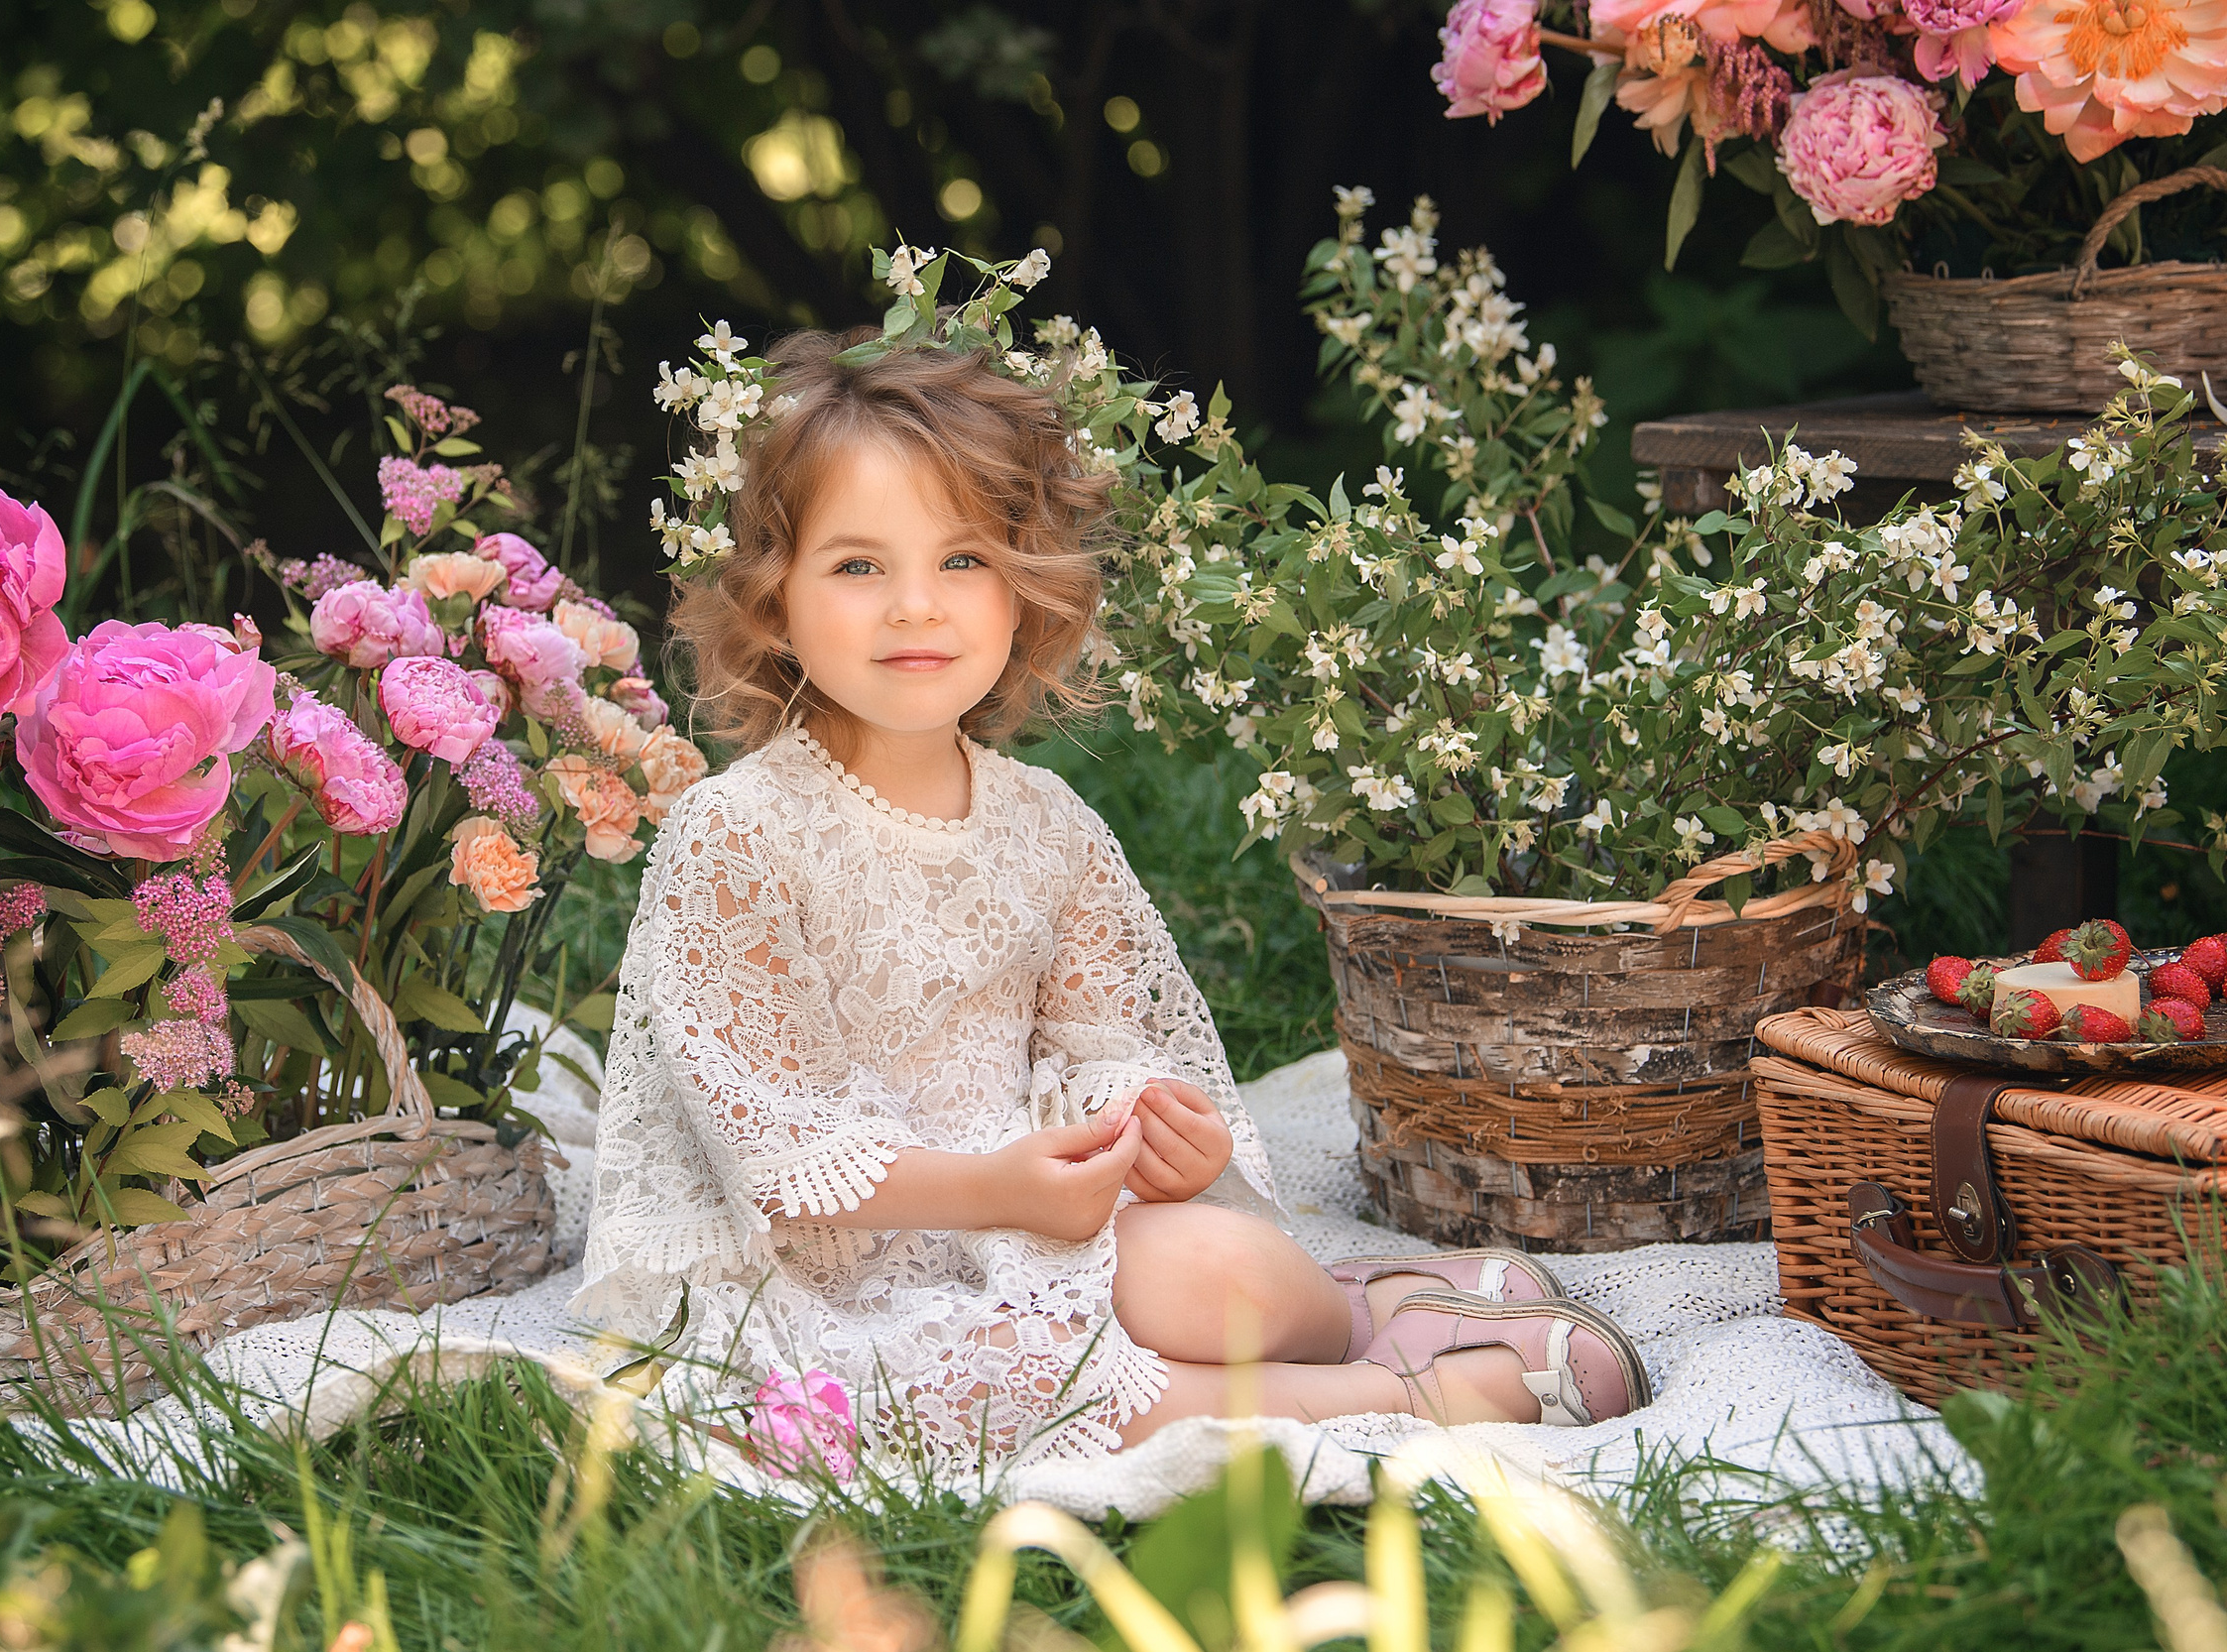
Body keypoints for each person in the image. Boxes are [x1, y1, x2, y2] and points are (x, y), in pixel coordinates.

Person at [572, 327, 1650, 1477]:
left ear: (1024, 591)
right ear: (774, 601)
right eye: (856, 567)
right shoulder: (739, 835)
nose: (914, 607)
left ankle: (1363, 1308)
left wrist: (1147, 1131)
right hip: (813, 1277)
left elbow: (1094, 1043)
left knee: (1227, 1272)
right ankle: (1390, 1395)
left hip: (1030, 1223)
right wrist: (996, 1192)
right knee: (968, 1388)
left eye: (962, 560)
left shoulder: (1046, 825)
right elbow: (778, 1152)